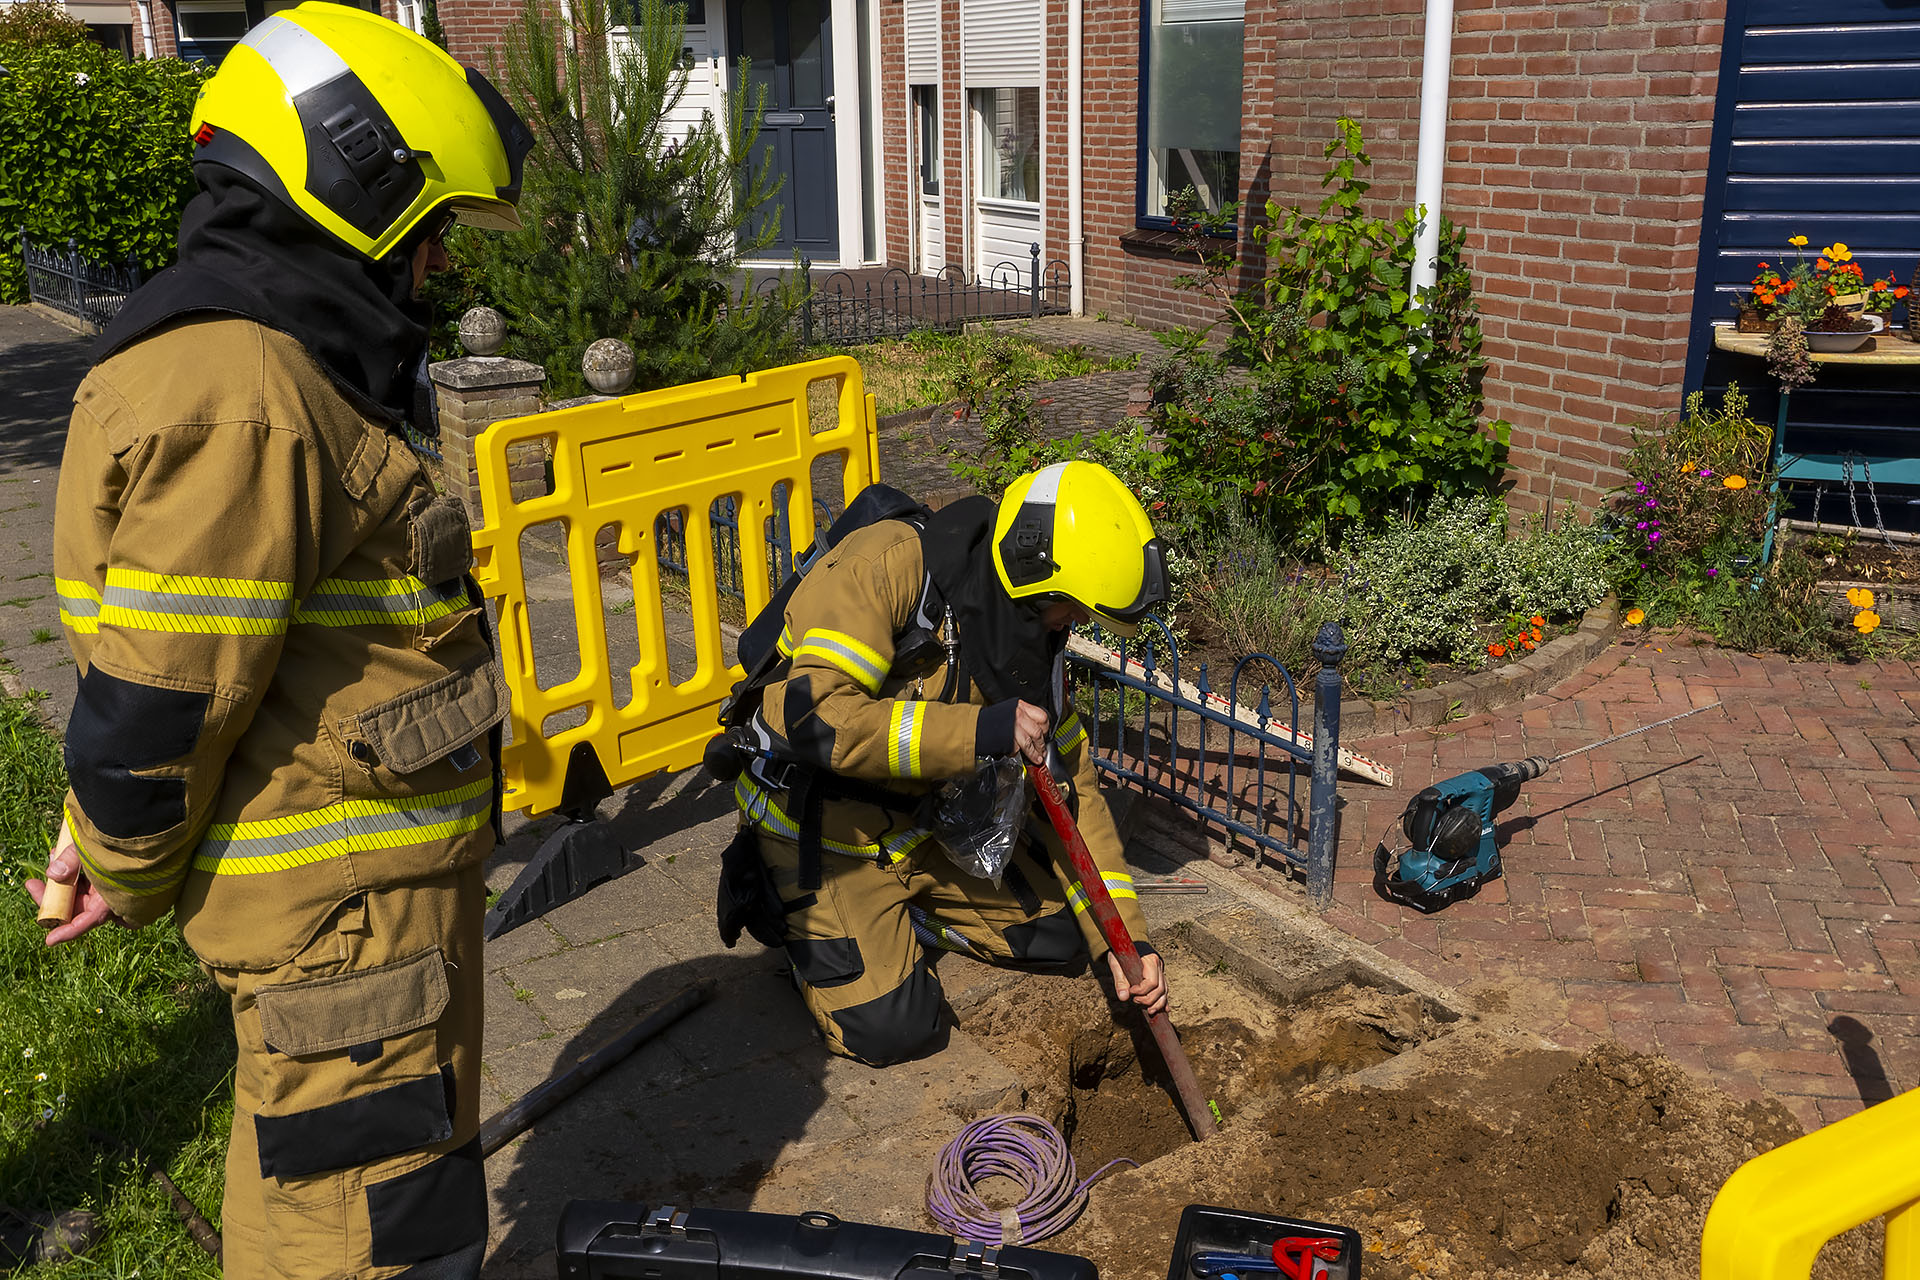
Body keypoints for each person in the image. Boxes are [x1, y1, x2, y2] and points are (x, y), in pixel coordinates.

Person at [24, 6, 533, 1277]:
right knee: (368, 1235)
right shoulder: (243, 395)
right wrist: (122, 856)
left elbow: (187, 669)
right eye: (422, 231)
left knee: (351, 1208)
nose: (432, 266)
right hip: (348, 940)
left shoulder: (258, 364)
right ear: (347, 179)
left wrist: (104, 838)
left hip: (361, 918)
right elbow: (160, 707)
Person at [722, 460, 1172, 1065]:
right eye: (1074, 609)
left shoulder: (1026, 637)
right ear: (1033, 570)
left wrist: (1128, 940)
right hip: (823, 835)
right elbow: (816, 718)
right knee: (893, 1028)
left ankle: (908, 919)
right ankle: (794, 918)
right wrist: (979, 731)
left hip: (920, 830)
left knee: (1069, 931)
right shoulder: (885, 568)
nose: (1078, 625)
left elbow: (1075, 790)